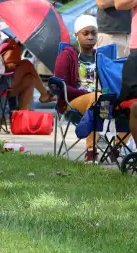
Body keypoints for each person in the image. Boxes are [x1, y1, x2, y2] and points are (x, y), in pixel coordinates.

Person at [54, 15, 127, 162]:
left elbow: (108, 82)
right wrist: (89, 94)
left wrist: (107, 94)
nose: (90, 37)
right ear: (76, 35)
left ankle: (116, 148)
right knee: (96, 99)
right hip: (73, 102)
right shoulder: (67, 55)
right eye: (85, 33)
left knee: (131, 106)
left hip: (100, 102)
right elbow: (62, 86)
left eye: (93, 33)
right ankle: (91, 152)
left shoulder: (100, 57)